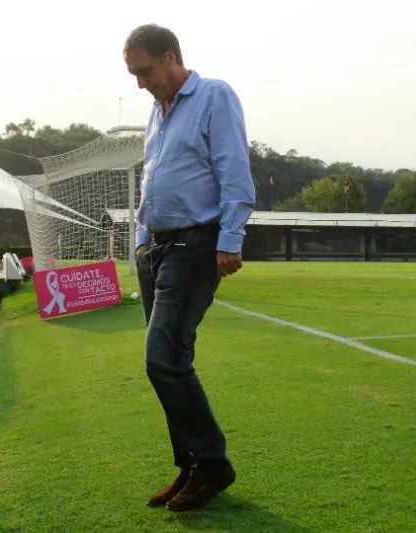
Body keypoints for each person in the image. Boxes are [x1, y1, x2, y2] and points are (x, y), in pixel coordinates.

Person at [123, 24, 256, 512]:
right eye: (133, 74)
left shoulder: (214, 96)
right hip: (154, 250)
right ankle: (191, 468)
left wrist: (230, 239)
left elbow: (233, 171)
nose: (140, 83)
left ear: (171, 56)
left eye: (145, 71)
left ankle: (213, 465)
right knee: (169, 366)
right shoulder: (155, 115)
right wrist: (140, 240)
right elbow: (151, 180)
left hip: (194, 245)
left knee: (162, 358)